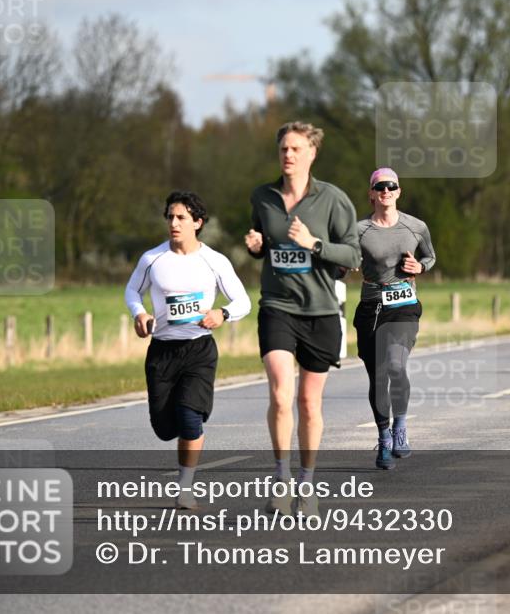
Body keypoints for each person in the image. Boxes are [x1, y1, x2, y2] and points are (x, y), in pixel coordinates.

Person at [245, 121, 361, 517]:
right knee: (280, 394)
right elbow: (264, 241)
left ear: (312, 153)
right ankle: (281, 479)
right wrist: (258, 247)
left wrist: (313, 243)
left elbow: (353, 256)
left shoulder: (333, 200)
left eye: (296, 149)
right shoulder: (263, 197)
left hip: (321, 311)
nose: (288, 155)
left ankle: (307, 484)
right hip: (277, 307)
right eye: (283, 149)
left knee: (309, 403)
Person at [125, 191, 252, 510]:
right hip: (162, 353)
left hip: (199, 350)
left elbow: (243, 301)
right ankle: (180, 449)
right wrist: (139, 313)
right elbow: (132, 291)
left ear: (198, 222)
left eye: (181, 217)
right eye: (170, 216)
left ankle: (185, 486)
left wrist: (222, 314)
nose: (174, 223)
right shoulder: (152, 259)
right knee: (165, 428)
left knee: (190, 417)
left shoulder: (214, 260)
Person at [354, 168, 436, 470]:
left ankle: (400, 427)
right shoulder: (359, 230)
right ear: (371, 193)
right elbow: (345, 259)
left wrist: (420, 267)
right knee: (377, 376)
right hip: (371, 307)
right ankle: (384, 437)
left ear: (399, 191)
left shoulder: (416, 226)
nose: (386, 191)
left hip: (404, 304)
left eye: (391, 186)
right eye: (380, 186)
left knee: (396, 366)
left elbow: (430, 257)